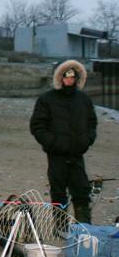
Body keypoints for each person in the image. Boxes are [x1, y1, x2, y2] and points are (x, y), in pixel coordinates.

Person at [30, 59, 97, 224]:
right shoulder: (46, 99)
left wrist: (87, 141)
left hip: (77, 154)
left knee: (81, 191)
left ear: (76, 78)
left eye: (72, 77)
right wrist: (53, 143)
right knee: (59, 193)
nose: (69, 80)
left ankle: (83, 229)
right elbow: (37, 126)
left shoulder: (83, 99)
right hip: (56, 155)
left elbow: (92, 123)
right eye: (66, 77)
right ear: (60, 78)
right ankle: (60, 227)